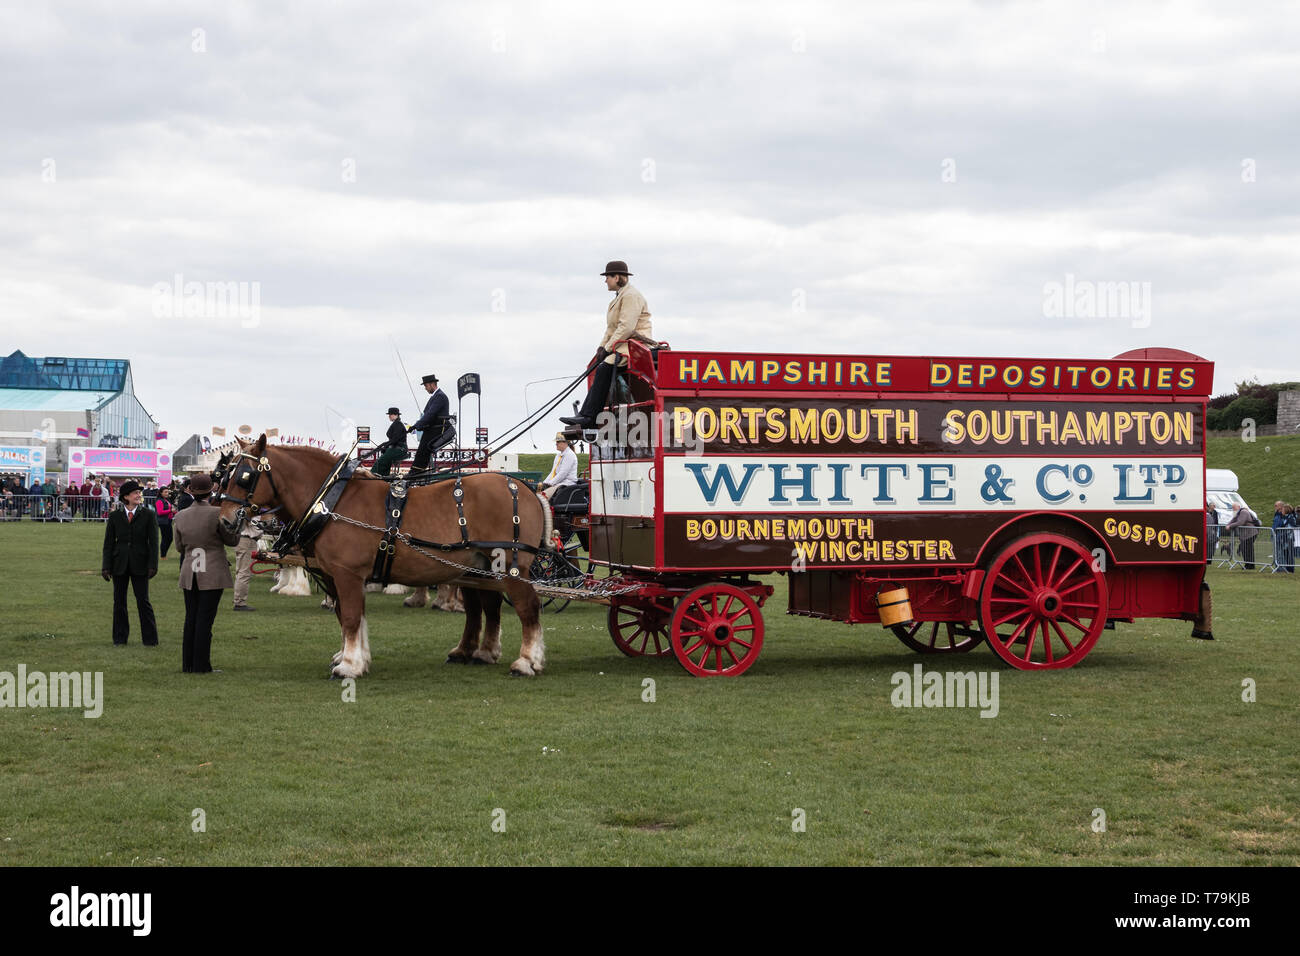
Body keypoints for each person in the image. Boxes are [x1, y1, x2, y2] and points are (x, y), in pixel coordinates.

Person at [560, 260, 655, 431]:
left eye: (607, 277)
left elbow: (626, 327)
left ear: (617, 277)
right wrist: (601, 347)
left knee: (604, 368)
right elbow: (611, 329)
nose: (605, 281)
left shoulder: (631, 296)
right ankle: (587, 414)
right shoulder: (621, 297)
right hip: (622, 343)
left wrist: (608, 348)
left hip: (634, 345)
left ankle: (589, 416)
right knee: (601, 366)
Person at [172, 473, 238, 673]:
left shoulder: (180, 515)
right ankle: (202, 665)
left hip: (190, 569)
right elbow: (232, 540)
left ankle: (188, 664)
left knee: (191, 617)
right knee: (205, 620)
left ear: (190, 491)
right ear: (212, 490)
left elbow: (179, 547)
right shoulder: (216, 513)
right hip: (212, 570)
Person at [101, 479, 160, 646]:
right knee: (119, 602)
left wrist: (153, 565)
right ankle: (119, 638)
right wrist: (106, 566)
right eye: (135, 493)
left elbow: (154, 542)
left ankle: (150, 639)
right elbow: (108, 543)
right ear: (126, 496)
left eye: (139, 493)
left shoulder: (148, 515)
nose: (139, 495)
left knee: (143, 601)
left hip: (141, 563)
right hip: (119, 563)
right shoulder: (115, 516)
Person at [407, 375, 455, 473]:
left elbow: (431, 414)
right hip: (432, 427)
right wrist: (418, 426)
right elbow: (428, 415)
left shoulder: (440, 396)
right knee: (422, 447)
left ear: (432, 384)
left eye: (426, 386)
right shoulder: (436, 396)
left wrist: (416, 426)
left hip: (439, 428)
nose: (425, 388)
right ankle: (417, 470)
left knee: (424, 447)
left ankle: (416, 472)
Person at [538, 432, 578, 501]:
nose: (556, 443)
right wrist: (544, 483)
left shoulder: (569, 455)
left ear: (565, 443)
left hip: (566, 484)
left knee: (542, 498)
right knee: (539, 494)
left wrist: (550, 484)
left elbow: (563, 474)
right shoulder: (558, 455)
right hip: (559, 483)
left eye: (558, 442)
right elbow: (553, 472)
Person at [231, 515, 259, 611]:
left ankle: (237, 598)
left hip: (243, 539)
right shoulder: (249, 511)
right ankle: (239, 602)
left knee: (241, 571)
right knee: (244, 572)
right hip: (247, 540)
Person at [373, 406, 409, 477]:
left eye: (390, 414)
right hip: (395, 448)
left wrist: (385, 445)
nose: (389, 416)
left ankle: (372, 476)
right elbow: (393, 440)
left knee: (380, 462)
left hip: (399, 449)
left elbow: (395, 439)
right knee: (386, 462)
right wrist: (385, 446)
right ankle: (383, 477)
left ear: (396, 415)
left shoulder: (398, 424)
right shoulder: (396, 423)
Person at [1225, 502, 1259, 570]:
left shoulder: (1243, 512)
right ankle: (1248, 565)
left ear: (1238, 507)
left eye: (1234, 507)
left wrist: (1230, 526)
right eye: (1232, 508)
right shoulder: (1238, 513)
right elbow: (1233, 519)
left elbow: (1241, 522)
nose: (1233, 509)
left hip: (1250, 533)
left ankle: (1250, 565)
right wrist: (1228, 525)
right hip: (1245, 534)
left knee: (1248, 550)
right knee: (1245, 549)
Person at [155, 487, 176, 557]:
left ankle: (164, 554)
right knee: (165, 538)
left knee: (170, 538)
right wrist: (170, 511)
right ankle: (163, 555)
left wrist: (174, 512)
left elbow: (169, 510)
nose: (167, 493)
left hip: (168, 521)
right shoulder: (159, 500)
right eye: (165, 492)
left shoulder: (166, 500)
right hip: (163, 522)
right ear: (161, 493)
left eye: (167, 492)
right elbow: (160, 512)